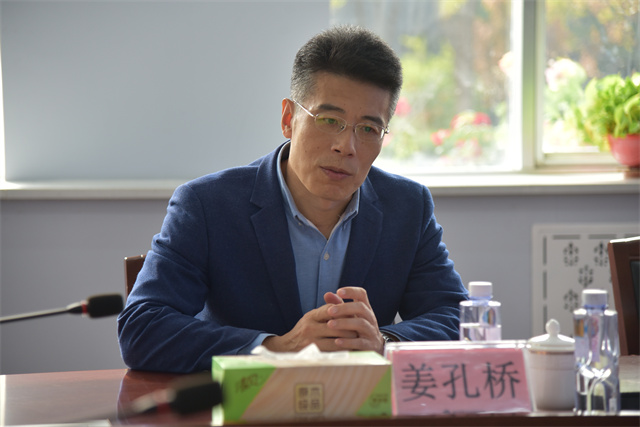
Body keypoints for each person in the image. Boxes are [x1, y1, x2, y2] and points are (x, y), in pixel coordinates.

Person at [118, 25, 467, 373]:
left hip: (358, 400)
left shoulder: (407, 207)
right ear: (288, 119)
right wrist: (276, 348)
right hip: (248, 402)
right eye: (329, 120)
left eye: (368, 129)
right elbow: (142, 327)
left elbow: (457, 317)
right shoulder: (208, 205)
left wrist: (382, 343)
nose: (346, 146)